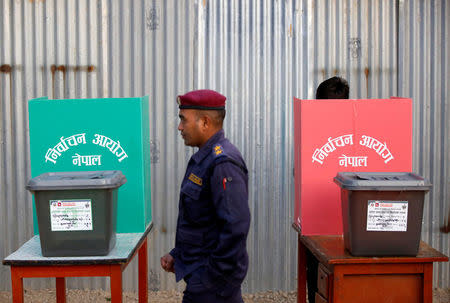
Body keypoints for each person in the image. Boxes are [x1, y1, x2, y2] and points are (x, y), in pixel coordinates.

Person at [160, 89, 251, 303]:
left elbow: (235, 227)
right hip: (202, 275)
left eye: (183, 120)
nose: (179, 127)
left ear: (205, 123)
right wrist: (179, 253)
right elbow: (201, 221)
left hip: (213, 285)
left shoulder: (223, 163)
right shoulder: (205, 158)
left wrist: (212, 278)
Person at [307, 76, 350, 303]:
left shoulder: (358, 131)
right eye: (325, 107)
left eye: (337, 106)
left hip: (348, 217)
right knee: (315, 270)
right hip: (317, 217)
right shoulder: (309, 131)